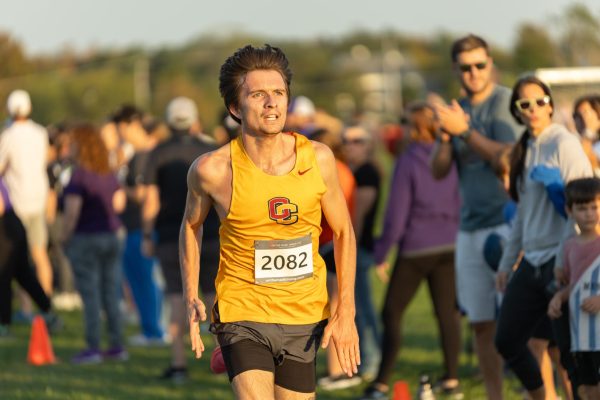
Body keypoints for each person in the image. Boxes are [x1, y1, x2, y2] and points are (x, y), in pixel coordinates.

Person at [179, 44, 360, 399]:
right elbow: (190, 225)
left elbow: (342, 231)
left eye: (278, 93)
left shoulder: (319, 159)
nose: (271, 103)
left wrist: (346, 310)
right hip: (242, 309)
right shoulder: (212, 170)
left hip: (303, 312)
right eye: (258, 94)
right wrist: (190, 295)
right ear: (235, 107)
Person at [430, 34, 521, 400]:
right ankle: (494, 395)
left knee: (525, 325)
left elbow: (510, 156)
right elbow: (438, 170)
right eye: (465, 67)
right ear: (456, 70)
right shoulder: (456, 110)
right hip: (469, 228)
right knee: (482, 324)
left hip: (510, 221)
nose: (473, 73)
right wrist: (447, 137)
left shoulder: (507, 103)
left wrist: (464, 131)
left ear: (490, 63)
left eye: (480, 65)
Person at [494, 75, 592, 400]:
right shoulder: (524, 148)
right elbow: (522, 214)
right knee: (507, 340)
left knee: (568, 354)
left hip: (559, 259)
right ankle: (543, 397)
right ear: (517, 111)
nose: (534, 108)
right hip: (531, 260)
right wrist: (507, 262)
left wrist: (565, 256)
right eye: (525, 104)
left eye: (540, 101)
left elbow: (583, 203)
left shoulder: (563, 142)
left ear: (550, 104)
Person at [361, 103, 462, 400]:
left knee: (391, 312)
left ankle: (380, 383)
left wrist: (381, 254)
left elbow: (396, 215)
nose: (401, 128)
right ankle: (452, 380)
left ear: (415, 127)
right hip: (450, 244)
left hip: (418, 247)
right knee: (447, 314)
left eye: (405, 122)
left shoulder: (409, 160)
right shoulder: (451, 154)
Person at [141, 96, 219, 382]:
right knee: (215, 300)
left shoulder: (157, 153)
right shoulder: (212, 150)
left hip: (172, 236)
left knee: (176, 297)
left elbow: (150, 200)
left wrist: (147, 233)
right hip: (212, 234)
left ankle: (178, 365)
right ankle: (223, 360)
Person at [61, 123, 128, 364]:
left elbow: (71, 213)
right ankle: (117, 345)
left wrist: (63, 237)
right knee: (111, 293)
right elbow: (119, 204)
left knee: (91, 295)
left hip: (86, 237)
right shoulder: (108, 173)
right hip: (111, 235)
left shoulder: (78, 175)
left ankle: (93, 347)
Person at [112, 105, 167, 346]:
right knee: (137, 280)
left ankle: (154, 331)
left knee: (147, 281)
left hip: (144, 228)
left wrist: (119, 186)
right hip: (134, 227)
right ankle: (149, 328)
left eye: (122, 129)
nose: (121, 134)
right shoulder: (137, 154)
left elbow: (144, 195)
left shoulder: (148, 154)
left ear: (132, 125)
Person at [548, 177, 600, 400]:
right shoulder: (570, 246)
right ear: (569, 211)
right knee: (584, 388)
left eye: (594, 207)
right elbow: (576, 284)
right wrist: (559, 297)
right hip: (580, 334)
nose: (589, 214)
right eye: (582, 208)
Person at [0, 90, 53, 299]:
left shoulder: (7, 135)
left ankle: (26, 306)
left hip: (17, 202)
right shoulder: (41, 133)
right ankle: (46, 299)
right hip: (38, 200)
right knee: (40, 254)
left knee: (18, 258)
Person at [572, 95, 600, 171]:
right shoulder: (574, 141)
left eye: (585, 113)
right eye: (576, 115)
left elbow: (584, 161)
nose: (579, 119)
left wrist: (589, 132)